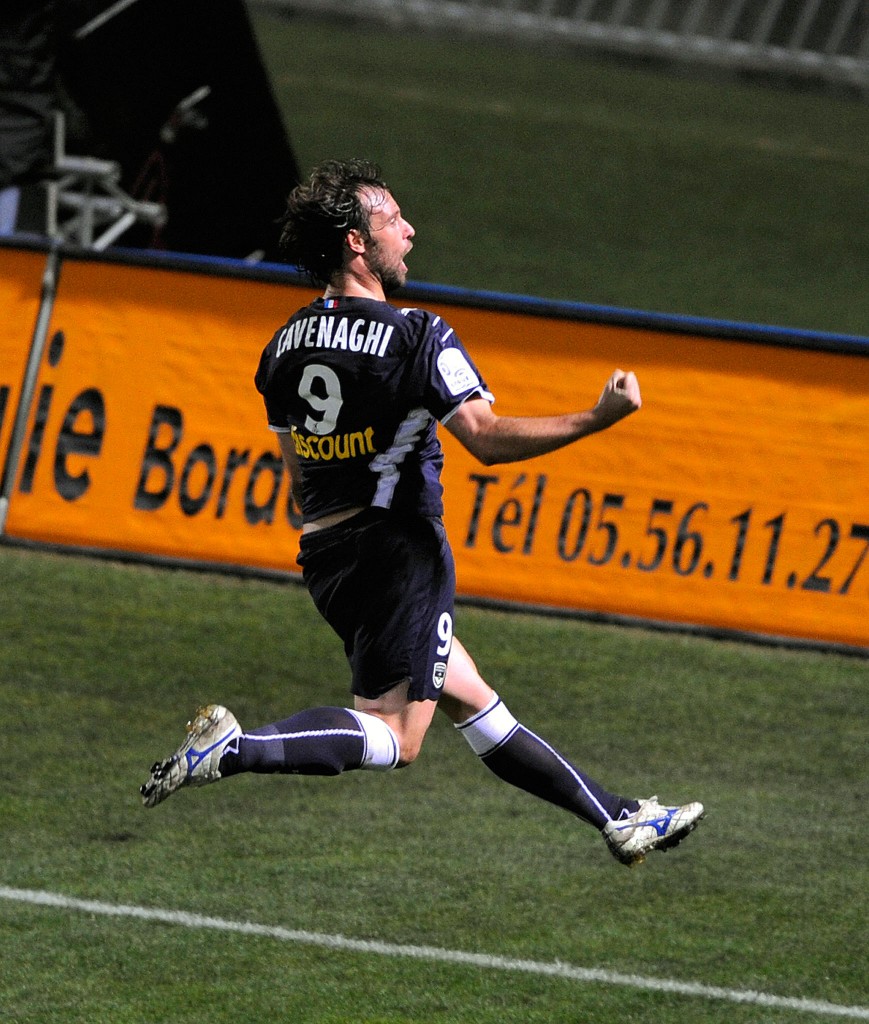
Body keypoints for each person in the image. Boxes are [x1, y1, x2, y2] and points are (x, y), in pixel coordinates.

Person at [140, 158, 704, 867]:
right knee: (395, 738)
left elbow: (298, 480)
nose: (410, 231)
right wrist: (598, 417)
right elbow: (486, 440)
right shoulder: (417, 334)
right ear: (354, 241)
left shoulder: (281, 348)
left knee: (472, 699)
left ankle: (616, 818)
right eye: (392, 220)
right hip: (400, 552)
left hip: (328, 558)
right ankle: (238, 748)